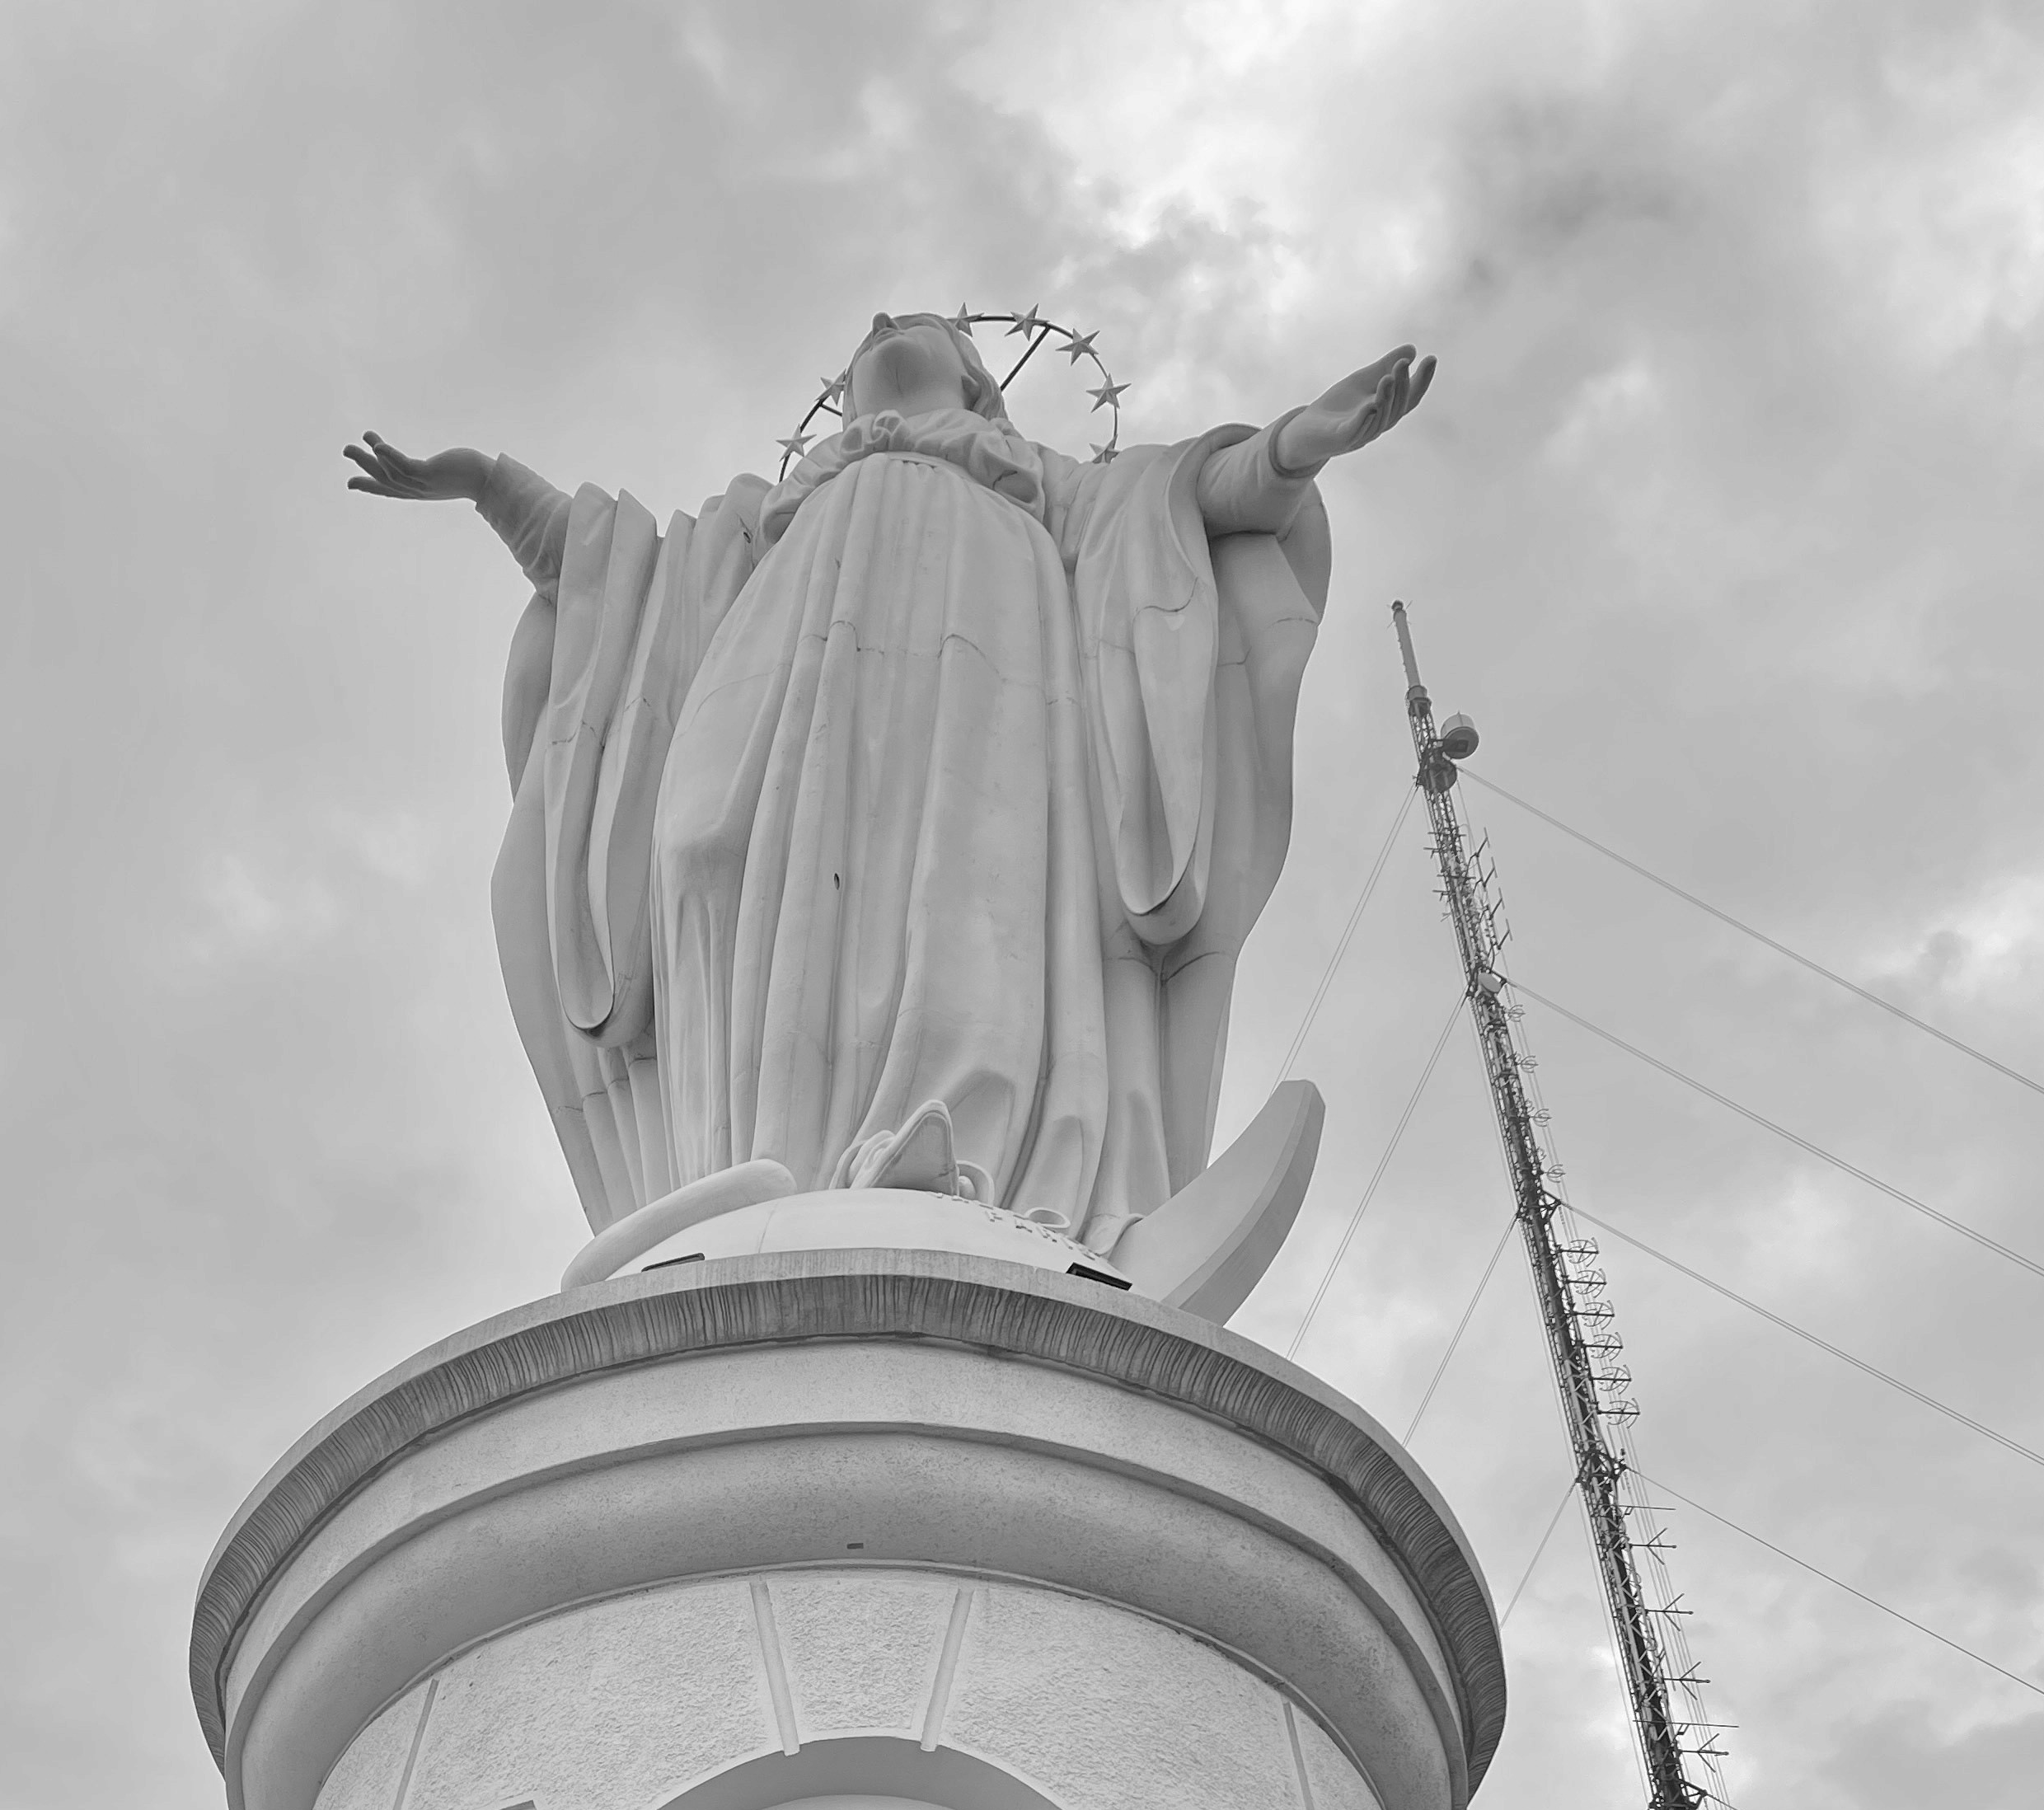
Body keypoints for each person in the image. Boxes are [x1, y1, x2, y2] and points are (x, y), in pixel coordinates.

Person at [345, 312, 1433, 1265]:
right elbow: (612, 576)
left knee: (961, 893)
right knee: (700, 858)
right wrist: (491, 484)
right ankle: (758, 1166)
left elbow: (1196, 499)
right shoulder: (761, 517)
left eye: (910, 327)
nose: (879, 326)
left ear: (977, 382)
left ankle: (949, 1156)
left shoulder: (1045, 484)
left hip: (983, 664)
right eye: (867, 334)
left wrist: (1301, 442)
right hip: (775, 675)